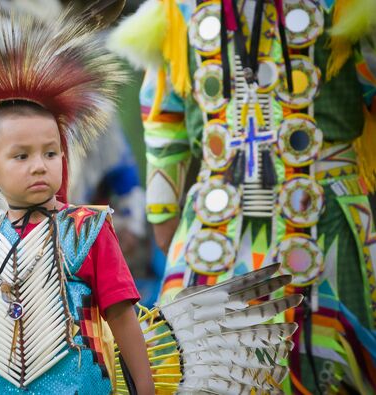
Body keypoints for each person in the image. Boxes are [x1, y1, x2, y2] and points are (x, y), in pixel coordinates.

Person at [109, 0, 376, 394]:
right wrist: (164, 216)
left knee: (336, 367)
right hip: (215, 224)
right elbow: (164, 117)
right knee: (202, 363)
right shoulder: (177, 10)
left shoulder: (348, 6)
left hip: (328, 216)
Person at [0, 7, 154, 395]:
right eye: (22, 157)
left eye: (51, 154)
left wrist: (147, 388)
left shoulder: (88, 231)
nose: (39, 166)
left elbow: (122, 317)